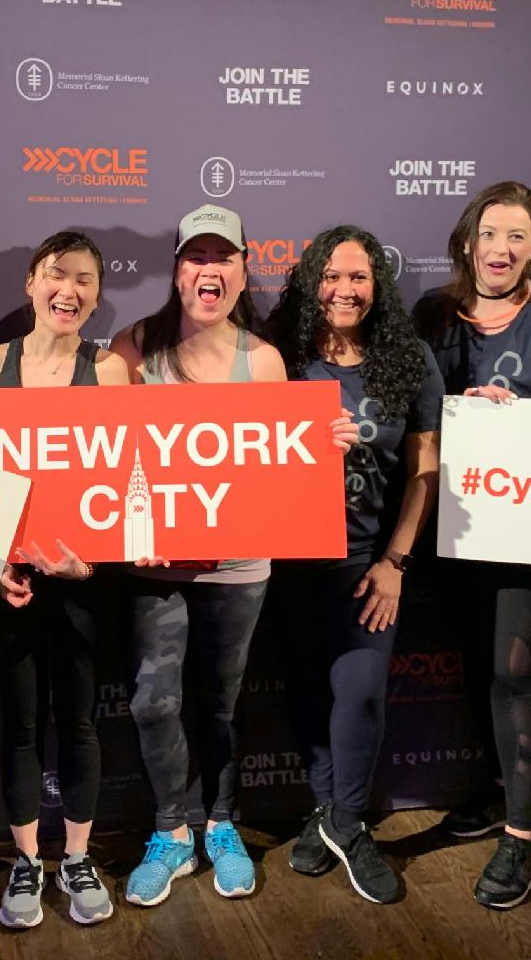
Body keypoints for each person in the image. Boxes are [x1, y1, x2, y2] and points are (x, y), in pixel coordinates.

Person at [107, 205, 355, 907]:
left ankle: (220, 824)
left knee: (216, 703)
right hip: (156, 562)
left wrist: (320, 445)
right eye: (195, 256)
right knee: (155, 700)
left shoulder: (263, 359)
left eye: (223, 257)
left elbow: (282, 464)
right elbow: (100, 448)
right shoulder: (132, 348)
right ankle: (170, 831)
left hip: (239, 565)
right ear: (177, 269)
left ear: (244, 268)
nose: (208, 270)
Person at [412, 180, 531, 909]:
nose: (502, 248)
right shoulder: (433, 315)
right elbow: (409, 409)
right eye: (492, 233)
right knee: (474, 669)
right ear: (468, 240)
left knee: (512, 674)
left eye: (519, 237)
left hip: (522, 534)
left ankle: (523, 837)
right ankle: (494, 792)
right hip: (453, 527)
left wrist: (516, 420)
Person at [266, 225, 443, 904]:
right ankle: (332, 812)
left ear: (378, 285)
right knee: (308, 693)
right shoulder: (279, 354)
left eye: (359, 276)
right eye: (332, 276)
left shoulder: (409, 358)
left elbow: (425, 470)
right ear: (312, 281)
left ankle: (344, 820)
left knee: (361, 689)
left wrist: (396, 560)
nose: (344, 289)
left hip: (367, 561)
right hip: (285, 562)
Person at [0, 231, 129, 929]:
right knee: (23, 722)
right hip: (14, 581)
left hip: (86, 579)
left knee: (80, 719)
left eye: (84, 278)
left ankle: (78, 857)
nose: (69, 289)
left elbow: (125, 485)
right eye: (57, 274)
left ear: (96, 293)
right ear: (32, 282)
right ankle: (27, 861)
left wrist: (88, 564)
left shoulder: (111, 369)